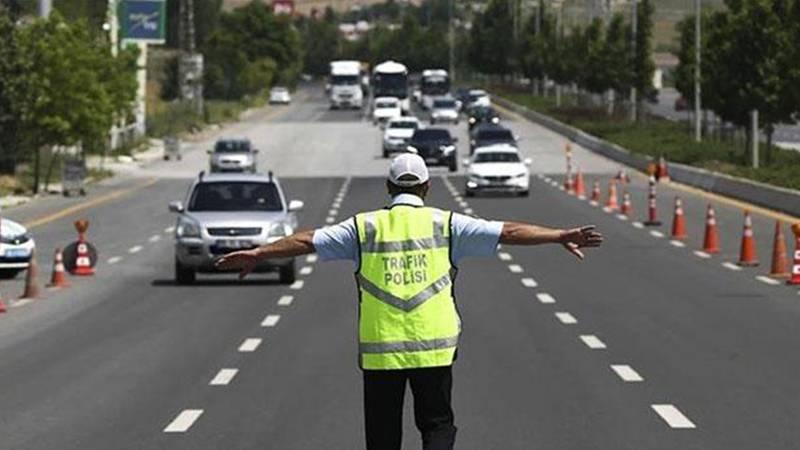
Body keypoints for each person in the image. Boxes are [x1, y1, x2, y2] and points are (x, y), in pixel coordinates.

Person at [215, 153, 603, 450]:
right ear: (427, 187)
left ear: (388, 187)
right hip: (434, 348)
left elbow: (305, 240)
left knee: (383, 435)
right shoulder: (448, 224)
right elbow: (509, 230)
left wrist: (259, 253)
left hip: (381, 351)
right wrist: (557, 235)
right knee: (437, 426)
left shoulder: (363, 227)